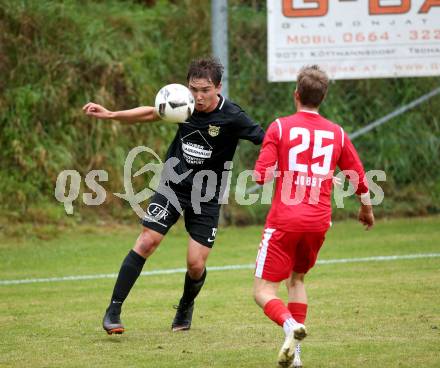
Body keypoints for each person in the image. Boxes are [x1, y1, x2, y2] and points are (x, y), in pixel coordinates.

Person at [83, 57, 265, 335]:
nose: (199, 96)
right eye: (194, 88)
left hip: (207, 195)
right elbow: (150, 113)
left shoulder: (232, 116)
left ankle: (185, 306)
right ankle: (113, 311)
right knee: (147, 241)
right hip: (173, 185)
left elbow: (266, 139)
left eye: (205, 90)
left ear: (218, 86)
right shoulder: (184, 103)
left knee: (195, 264)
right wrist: (110, 114)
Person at [252, 65, 374, 367]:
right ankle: (297, 355)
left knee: (263, 291)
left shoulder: (280, 127)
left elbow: (259, 177)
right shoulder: (337, 133)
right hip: (318, 222)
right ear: (323, 97)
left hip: (285, 220)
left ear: (296, 94)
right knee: (297, 279)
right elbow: (358, 176)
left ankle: (289, 325)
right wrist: (366, 208)